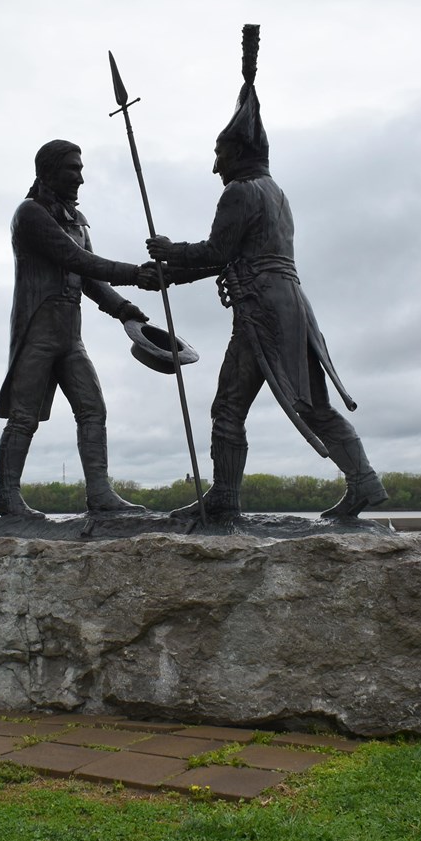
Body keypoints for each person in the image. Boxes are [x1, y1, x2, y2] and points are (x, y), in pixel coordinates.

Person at [144, 27, 387, 520]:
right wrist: (170, 272)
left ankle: (225, 500)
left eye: (218, 154)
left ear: (236, 153)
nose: (214, 166)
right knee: (311, 402)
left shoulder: (240, 192)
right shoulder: (276, 193)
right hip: (289, 304)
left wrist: (171, 251)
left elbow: (216, 249)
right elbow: (230, 257)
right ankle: (365, 483)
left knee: (229, 406)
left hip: (262, 311)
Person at [0, 139, 158, 518]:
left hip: (70, 335)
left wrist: (125, 310)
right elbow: (75, 258)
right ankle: (8, 494)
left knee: (92, 408)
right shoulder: (30, 214)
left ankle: (99, 493)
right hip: (37, 330)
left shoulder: (77, 222)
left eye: (81, 169)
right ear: (48, 170)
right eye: (73, 168)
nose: (80, 178)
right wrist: (134, 274)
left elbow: (87, 277)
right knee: (24, 416)